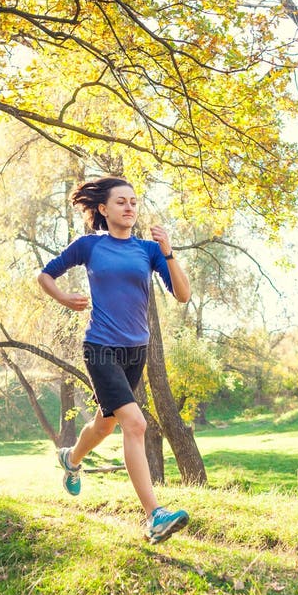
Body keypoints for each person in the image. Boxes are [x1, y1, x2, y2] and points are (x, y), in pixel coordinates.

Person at [37, 176, 191, 544]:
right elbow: (45, 274)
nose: (130, 207)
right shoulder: (89, 246)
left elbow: (183, 295)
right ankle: (155, 516)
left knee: (106, 425)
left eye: (134, 202)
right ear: (103, 209)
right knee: (135, 424)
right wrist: (62, 297)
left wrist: (168, 251)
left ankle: (71, 459)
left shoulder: (147, 250)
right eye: (121, 201)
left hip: (135, 351)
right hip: (101, 347)